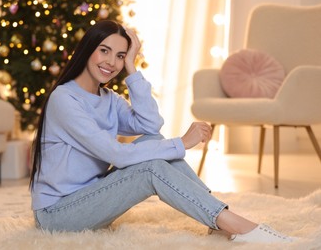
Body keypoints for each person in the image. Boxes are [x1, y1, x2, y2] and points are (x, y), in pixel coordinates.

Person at [29, 20, 295, 243]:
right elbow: (116, 155)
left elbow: (150, 125)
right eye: (104, 51)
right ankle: (234, 225)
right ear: (88, 50)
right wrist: (182, 142)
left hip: (90, 198)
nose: (112, 62)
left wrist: (132, 68)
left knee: (153, 141)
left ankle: (217, 219)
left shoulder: (108, 98)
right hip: (58, 214)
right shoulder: (64, 99)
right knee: (149, 168)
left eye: (120, 55)